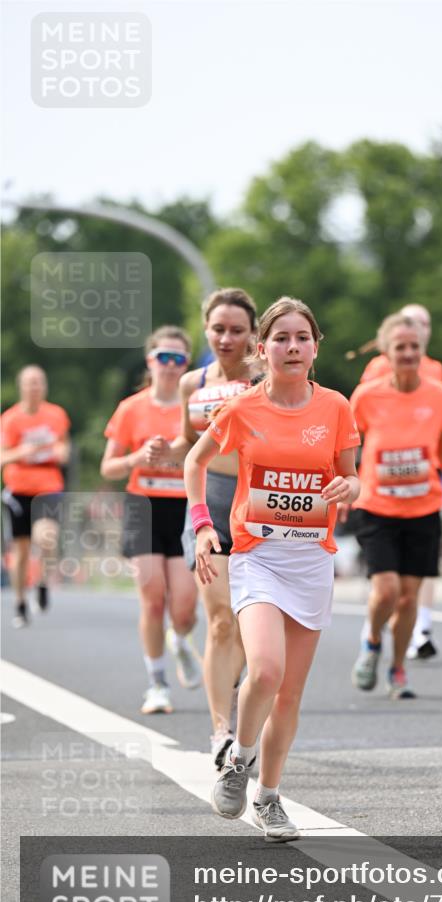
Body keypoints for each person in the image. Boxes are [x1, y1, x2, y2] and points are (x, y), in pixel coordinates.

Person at [185, 296, 360, 841]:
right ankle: (240, 759)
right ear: (263, 350)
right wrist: (203, 524)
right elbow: (195, 462)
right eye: (280, 338)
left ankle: (269, 796)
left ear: (314, 348)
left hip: (312, 561)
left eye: (301, 338)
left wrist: (347, 488)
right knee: (264, 670)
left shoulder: (336, 407)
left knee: (289, 694)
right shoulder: (241, 409)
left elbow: (352, 478)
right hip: (258, 557)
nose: (292, 347)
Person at [346, 312, 442, 699]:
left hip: (423, 508)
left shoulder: (440, 397)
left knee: (408, 598)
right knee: (385, 592)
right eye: (400, 347)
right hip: (376, 506)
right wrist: (343, 487)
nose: (408, 353)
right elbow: (347, 448)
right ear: (386, 351)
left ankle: (398, 669)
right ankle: (371, 642)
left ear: (423, 350)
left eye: (414, 347)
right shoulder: (367, 397)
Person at [166, 288, 260, 768]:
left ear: (253, 334)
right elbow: (189, 441)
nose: (227, 338)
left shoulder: (265, 379)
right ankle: (220, 732)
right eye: (219, 329)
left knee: (248, 622)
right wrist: (172, 456)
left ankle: (243, 689)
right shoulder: (191, 384)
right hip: (210, 502)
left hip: (261, 506)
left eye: (237, 330)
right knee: (220, 617)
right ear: (206, 328)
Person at [100, 326, 201, 715]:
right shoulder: (131, 408)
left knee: (185, 608)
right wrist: (135, 459)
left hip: (185, 508)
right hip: (143, 506)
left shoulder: (194, 407)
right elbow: (109, 467)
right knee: (152, 597)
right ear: (150, 361)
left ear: (187, 364)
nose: (171, 366)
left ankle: (179, 639)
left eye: (179, 359)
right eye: (164, 358)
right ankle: (157, 684)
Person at [1, 366, 70, 627]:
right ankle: (20, 602)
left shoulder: (56, 415)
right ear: (21, 387)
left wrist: (59, 452)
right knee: (20, 549)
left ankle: (42, 582)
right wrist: (24, 451)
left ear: (45, 387)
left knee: (47, 538)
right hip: (18, 489)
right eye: (30, 383)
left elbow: (63, 446)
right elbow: (3, 456)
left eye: (39, 382)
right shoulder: (10, 419)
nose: (35, 387)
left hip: (48, 485)